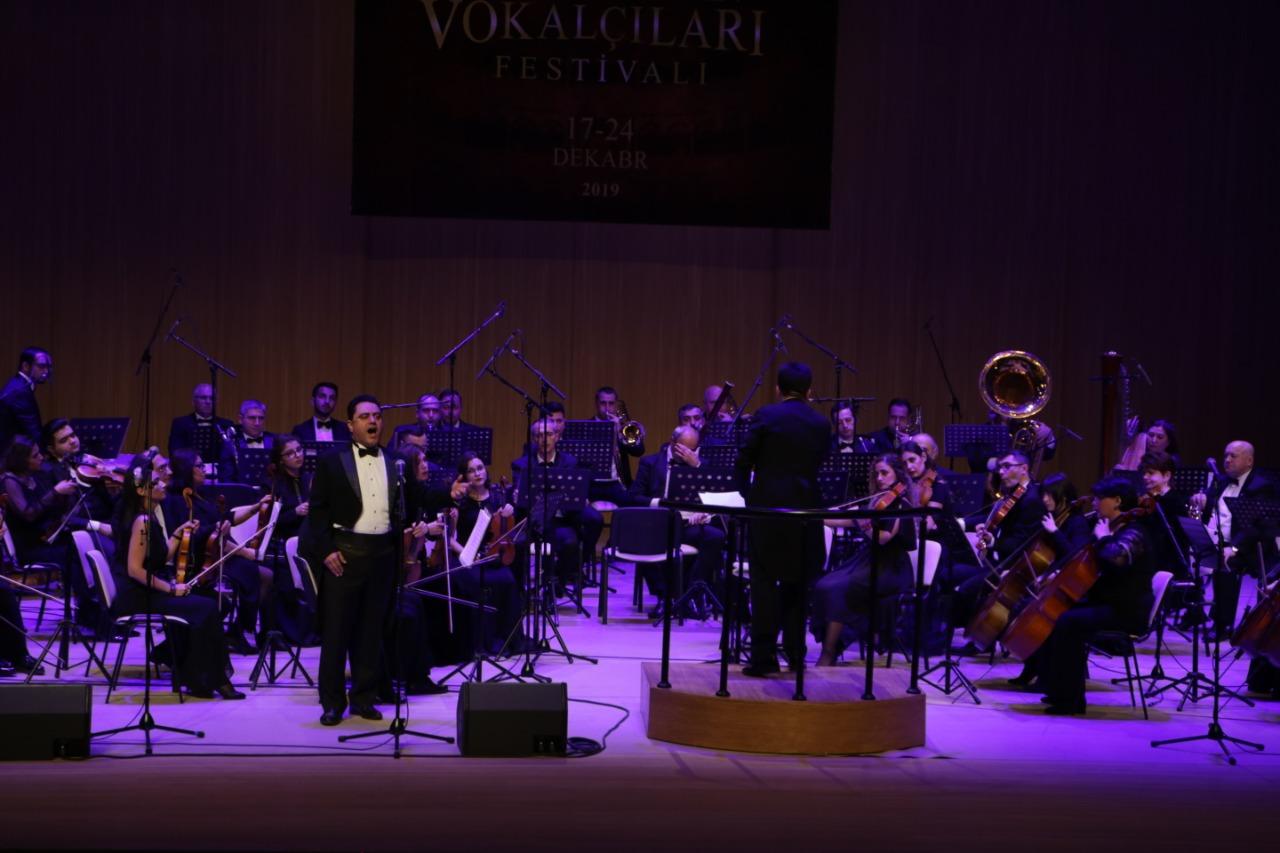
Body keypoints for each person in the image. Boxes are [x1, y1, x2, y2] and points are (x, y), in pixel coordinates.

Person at [301, 395, 404, 726]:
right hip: (344, 553)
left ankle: (364, 698)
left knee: (370, 632)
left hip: (382, 555)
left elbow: (411, 502)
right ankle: (332, 702)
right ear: (350, 425)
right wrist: (327, 551)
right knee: (336, 633)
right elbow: (317, 512)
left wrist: (451, 494)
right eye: (365, 416)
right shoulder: (332, 461)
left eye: (377, 415)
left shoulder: (395, 460)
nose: (373, 421)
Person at [110, 449, 244, 699]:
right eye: (156, 482)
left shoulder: (148, 517)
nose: (163, 484)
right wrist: (172, 589)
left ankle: (197, 676)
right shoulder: (143, 522)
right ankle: (206, 679)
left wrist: (177, 534)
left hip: (148, 590)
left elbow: (160, 558)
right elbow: (135, 570)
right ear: (141, 490)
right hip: (138, 596)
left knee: (208, 603)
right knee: (205, 608)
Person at [734, 362, 830, 676]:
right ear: (809, 391)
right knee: (798, 585)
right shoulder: (820, 422)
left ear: (778, 389)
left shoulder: (766, 415)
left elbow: (744, 459)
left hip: (768, 511)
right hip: (806, 511)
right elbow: (820, 461)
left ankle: (764, 659)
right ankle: (796, 655)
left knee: (763, 584)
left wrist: (748, 495)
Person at [1038, 477, 1156, 715]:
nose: (1093, 503)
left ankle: (1071, 701)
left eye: (1099, 499)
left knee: (1069, 622)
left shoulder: (1135, 531)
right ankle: (1056, 689)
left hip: (1126, 610)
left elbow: (1116, 559)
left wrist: (1103, 538)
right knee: (1057, 612)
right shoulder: (1112, 528)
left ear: (1117, 501)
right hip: (1109, 602)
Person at [812, 453, 917, 666]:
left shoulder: (901, 505)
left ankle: (829, 652)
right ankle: (831, 646)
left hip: (891, 567)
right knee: (825, 584)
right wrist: (817, 516)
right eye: (876, 473)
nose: (879, 478)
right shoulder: (877, 501)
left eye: (884, 473)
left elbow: (883, 538)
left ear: (897, 474)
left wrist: (865, 524)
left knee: (839, 589)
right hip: (868, 561)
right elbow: (844, 520)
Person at [628, 425, 726, 617]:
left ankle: (688, 594)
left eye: (693, 449)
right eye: (684, 448)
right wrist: (661, 503)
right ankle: (665, 597)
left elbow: (715, 496)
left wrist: (704, 513)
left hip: (690, 524)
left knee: (715, 537)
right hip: (660, 522)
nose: (688, 453)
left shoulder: (702, 465)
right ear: (672, 442)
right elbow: (634, 496)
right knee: (644, 541)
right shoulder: (650, 462)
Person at [1188, 441, 1279, 639]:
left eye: (1233, 456)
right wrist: (1201, 499)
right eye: (1226, 456)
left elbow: (1255, 526)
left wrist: (1234, 548)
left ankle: (1223, 625)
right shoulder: (1221, 481)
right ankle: (1192, 612)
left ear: (1249, 461)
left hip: (1251, 547)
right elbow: (1209, 505)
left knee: (1225, 564)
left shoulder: (1261, 486)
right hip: (1218, 540)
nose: (1227, 460)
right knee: (1189, 554)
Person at [510, 419, 603, 594]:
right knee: (517, 544)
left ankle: (557, 583)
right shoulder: (521, 465)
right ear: (534, 439)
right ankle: (519, 593)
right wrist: (517, 497)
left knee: (571, 542)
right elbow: (518, 497)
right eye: (539, 435)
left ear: (557, 436)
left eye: (549, 434)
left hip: (561, 520)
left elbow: (575, 493)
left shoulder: (570, 462)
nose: (544, 439)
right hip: (534, 522)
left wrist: (580, 498)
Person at [446, 452, 526, 656]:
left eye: (480, 468)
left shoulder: (498, 497)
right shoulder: (460, 503)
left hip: (493, 556)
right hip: (467, 558)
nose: (477, 473)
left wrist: (509, 514)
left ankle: (508, 639)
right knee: (478, 583)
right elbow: (449, 539)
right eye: (471, 471)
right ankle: (485, 642)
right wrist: (467, 554)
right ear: (464, 476)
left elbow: (507, 533)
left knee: (509, 581)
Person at [0, 347, 52, 450]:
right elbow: (32, 432)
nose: (46, 371)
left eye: (48, 367)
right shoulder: (19, 391)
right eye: (41, 366)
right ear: (26, 366)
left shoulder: (19, 385)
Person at [167, 383, 234, 461]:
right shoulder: (180, 423)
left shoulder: (226, 424)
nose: (208, 402)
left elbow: (231, 455)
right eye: (203, 398)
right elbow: (175, 452)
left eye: (212, 398)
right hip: (189, 467)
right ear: (193, 401)